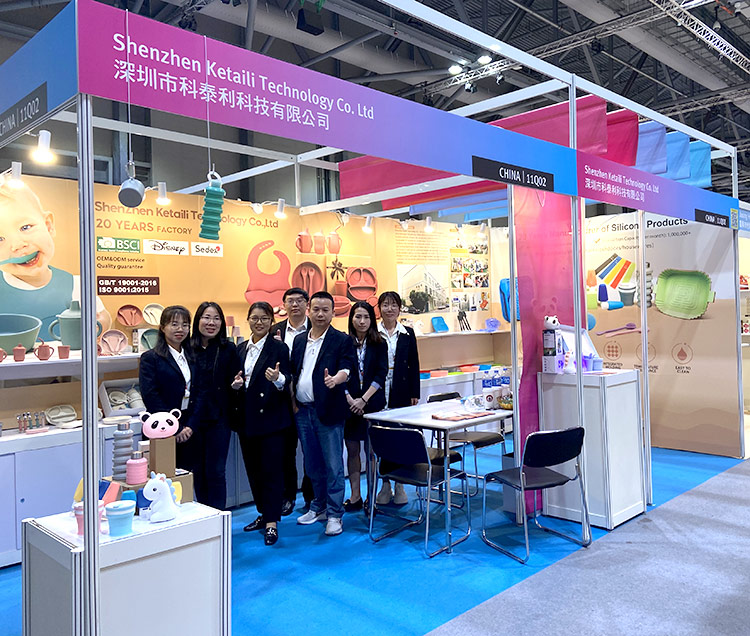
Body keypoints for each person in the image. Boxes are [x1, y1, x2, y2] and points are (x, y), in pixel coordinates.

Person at [0, 178, 111, 333]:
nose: (18, 245)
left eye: (25, 227)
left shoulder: (75, 284)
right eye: (0, 239)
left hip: (65, 349)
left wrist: (99, 323)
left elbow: (103, 317)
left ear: (48, 225)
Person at [290, 291, 356, 536]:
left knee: (333, 465)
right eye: (316, 309)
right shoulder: (299, 340)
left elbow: (347, 368)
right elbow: (295, 372)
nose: (320, 314)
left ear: (333, 313)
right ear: (309, 310)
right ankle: (318, 506)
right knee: (312, 464)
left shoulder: (341, 340)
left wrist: (337, 378)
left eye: (325, 310)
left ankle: (335, 513)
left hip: (328, 411)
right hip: (303, 411)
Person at [231, 302, 292, 546]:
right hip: (247, 419)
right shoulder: (240, 349)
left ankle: (272, 522)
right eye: (255, 318)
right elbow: (237, 379)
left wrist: (278, 379)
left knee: (271, 471)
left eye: (264, 318)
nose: (259, 322)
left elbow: (287, 379)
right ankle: (263, 513)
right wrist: (235, 385)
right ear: (248, 320)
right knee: (253, 470)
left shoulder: (279, 347)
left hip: (272, 419)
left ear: (271, 321)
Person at [139, 305, 199, 485]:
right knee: (162, 481)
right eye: (174, 324)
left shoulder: (193, 356)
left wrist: (190, 426)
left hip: (189, 425)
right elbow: (150, 395)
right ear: (162, 327)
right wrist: (176, 427)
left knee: (185, 478)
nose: (180, 329)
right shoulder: (151, 358)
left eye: (185, 325)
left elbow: (200, 391)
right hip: (162, 426)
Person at [189, 301, 240, 510]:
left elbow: (237, 378)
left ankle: (219, 516)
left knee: (216, 471)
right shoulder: (187, 347)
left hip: (219, 418)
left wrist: (237, 385)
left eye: (216, 318)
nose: (211, 323)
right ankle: (204, 514)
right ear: (198, 320)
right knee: (197, 470)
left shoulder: (228, 348)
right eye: (206, 317)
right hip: (192, 420)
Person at [376, 291, 421, 506]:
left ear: (399, 308)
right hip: (378, 389)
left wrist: (414, 393)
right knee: (383, 438)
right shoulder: (373, 332)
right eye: (385, 305)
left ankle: (400, 484)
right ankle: (385, 483)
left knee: (401, 436)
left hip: (401, 389)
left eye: (394, 305)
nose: (390, 309)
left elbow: (414, 364)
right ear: (379, 308)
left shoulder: (407, 333)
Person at [272, 287, 314, 515]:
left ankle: (311, 496)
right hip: (281, 401)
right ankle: (287, 496)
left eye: (300, 300)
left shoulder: (317, 328)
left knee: (311, 451)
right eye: (290, 301)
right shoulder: (274, 330)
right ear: (284, 305)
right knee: (285, 452)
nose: (295, 305)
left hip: (307, 400)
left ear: (307, 304)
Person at [343, 301, 387, 512]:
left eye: (366, 317)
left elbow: (381, 373)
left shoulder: (380, 343)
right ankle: (355, 496)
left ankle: (372, 497)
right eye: (358, 316)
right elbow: (339, 372)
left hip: (372, 405)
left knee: (371, 453)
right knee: (352, 451)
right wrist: (350, 398)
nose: (362, 321)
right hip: (349, 405)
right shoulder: (344, 343)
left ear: (372, 320)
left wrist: (364, 399)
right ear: (351, 319)